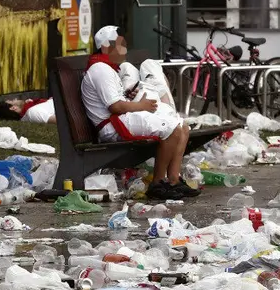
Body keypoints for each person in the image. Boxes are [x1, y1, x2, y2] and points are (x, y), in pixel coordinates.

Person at [81, 26, 198, 200]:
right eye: (119, 44)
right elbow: (115, 107)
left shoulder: (107, 67)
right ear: (106, 47)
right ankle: (157, 183)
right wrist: (142, 106)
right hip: (112, 127)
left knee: (183, 127)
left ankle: (173, 179)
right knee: (172, 129)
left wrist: (129, 96)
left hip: (120, 118)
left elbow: (115, 101)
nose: (124, 49)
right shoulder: (100, 69)